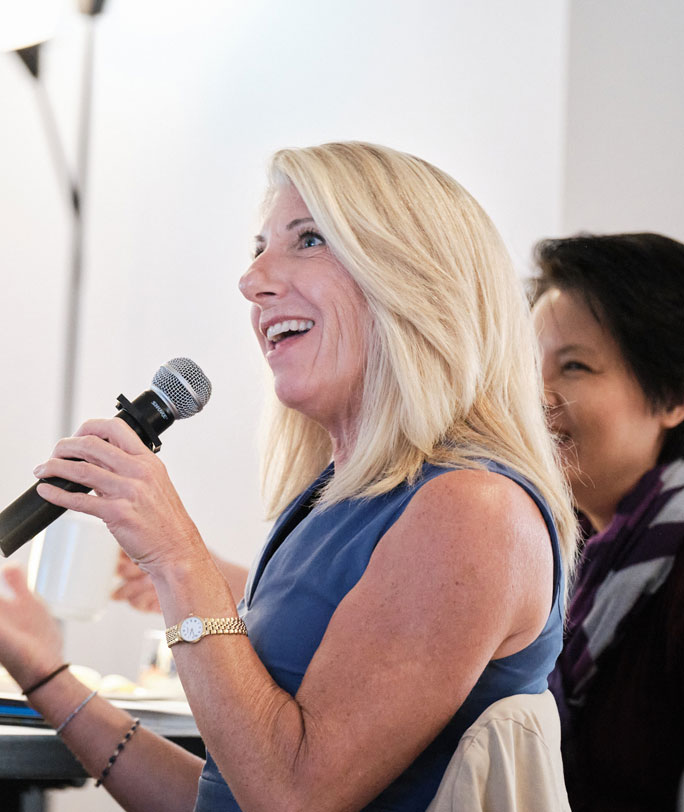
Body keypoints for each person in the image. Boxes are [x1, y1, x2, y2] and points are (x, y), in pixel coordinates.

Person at [0, 142, 576, 812]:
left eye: (308, 239)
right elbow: (222, 797)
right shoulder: (329, 504)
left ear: (419, 278)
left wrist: (178, 558)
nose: (252, 280)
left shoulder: (475, 510)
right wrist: (42, 668)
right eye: (259, 246)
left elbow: (292, 796)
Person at [531, 232, 684, 812]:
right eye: (529, 367)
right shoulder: (551, 551)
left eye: (574, 366)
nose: (536, 397)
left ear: (671, 396)